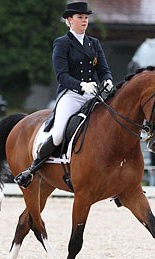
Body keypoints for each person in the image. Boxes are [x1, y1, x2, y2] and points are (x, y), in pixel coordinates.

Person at [15, 2, 113, 188]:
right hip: (72, 94)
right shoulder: (62, 43)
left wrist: (107, 80)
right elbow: (61, 75)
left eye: (86, 18)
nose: (84, 21)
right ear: (69, 20)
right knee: (59, 133)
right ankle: (33, 168)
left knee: (111, 126)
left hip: (93, 94)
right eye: (80, 17)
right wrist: (81, 85)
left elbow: (104, 70)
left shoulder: (94, 43)